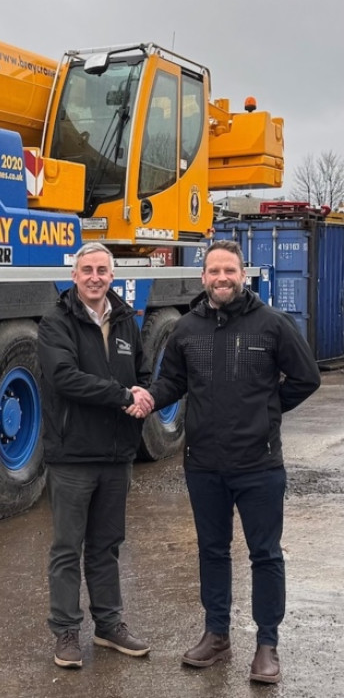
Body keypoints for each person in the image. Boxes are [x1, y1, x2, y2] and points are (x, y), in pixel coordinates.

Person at [143, 239, 320, 685]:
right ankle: (216, 634)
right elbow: (172, 383)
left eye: (230, 270)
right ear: (203, 277)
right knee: (212, 550)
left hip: (259, 465)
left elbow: (307, 377)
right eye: (214, 271)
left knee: (265, 554)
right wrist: (144, 398)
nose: (222, 278)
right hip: (204, 465)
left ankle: (267, 645)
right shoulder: (186, 329)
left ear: (243, 274)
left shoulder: (272, 324)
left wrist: (268, 411)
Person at [38, 241, 154, 669]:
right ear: (74, 276)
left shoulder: (125, 320)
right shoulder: (56, 322)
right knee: (67, 548)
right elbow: (64, 378)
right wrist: (124, 396)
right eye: (86, 270)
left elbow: (143, 371)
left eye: (102, 271)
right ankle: (66, 632)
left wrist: (144, 396)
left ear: (112, 275)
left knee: (106, 546)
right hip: (72, 455)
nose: (94, 277)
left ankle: (108, 625)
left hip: (116, 454)